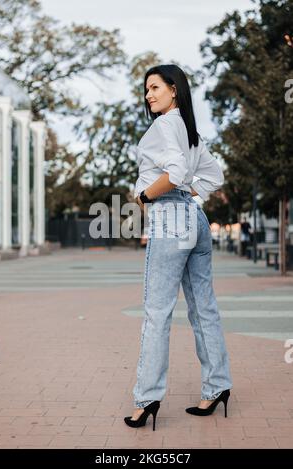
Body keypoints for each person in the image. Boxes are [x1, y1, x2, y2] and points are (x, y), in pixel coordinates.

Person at [124, 64, 232, 431]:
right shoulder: (191, 132)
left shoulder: (166, 124)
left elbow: (175, 173)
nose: (149, 94)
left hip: (171, 219)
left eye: (155, 87)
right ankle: (216, 388)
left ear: (174, 89)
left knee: (157, 313)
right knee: (204, 309)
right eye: (146, 89)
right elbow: (213, 177)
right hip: (195, 221)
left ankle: (147, 398)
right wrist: (188, 196)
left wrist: (144, 195)